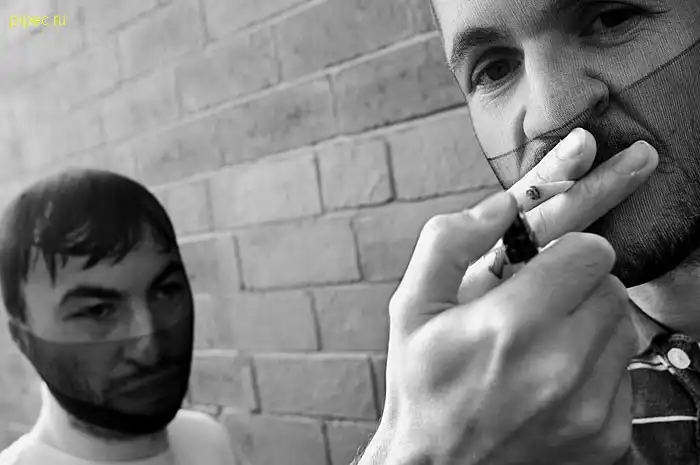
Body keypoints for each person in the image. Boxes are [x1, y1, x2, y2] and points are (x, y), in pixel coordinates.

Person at [356, 0, 700, 463]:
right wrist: (410, 452)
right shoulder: (508, 407)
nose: (552, 115)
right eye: (495, 70)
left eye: (612, 18)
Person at [0, 169, 246, 465]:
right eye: (98, 311)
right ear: (23, 339)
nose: (149, 348)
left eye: (166, 291)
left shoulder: (207, 441)